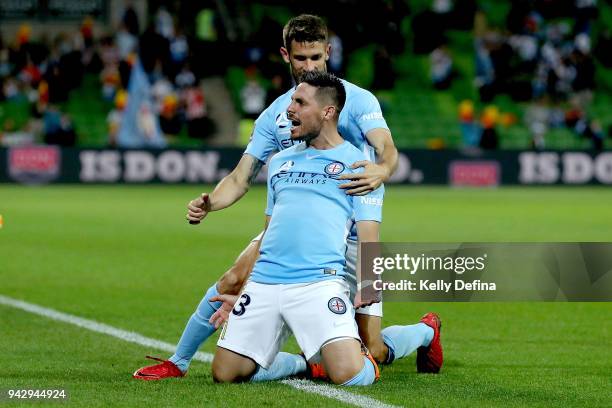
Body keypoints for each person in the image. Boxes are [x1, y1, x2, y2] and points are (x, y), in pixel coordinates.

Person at [133, 14, 442, 381]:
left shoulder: (356, 100)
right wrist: (211, 203)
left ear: (328, 52)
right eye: (301, 59)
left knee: (371, 348)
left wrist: (383, 169)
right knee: (233, 277)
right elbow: (240, 175)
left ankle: (426, 332)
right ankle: (178, 361)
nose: (309, 67)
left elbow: (386, 148)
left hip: (351, 229)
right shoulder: (277, 113)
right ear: (286, 55)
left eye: (316, 57)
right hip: (294, 230)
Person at [213, 72, 380, 385]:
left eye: (300, 102)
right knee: (225, 373)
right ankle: (302, 365)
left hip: (318, 284)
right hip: (265, 283)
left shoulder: (359, 167)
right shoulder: (280, 162)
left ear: (327, 112)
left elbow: (369, 233)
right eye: (292, 100)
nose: (289, 109)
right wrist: (245, 289)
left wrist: (369, 282)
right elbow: (269, 233)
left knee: (349, 376)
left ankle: (363, 358)